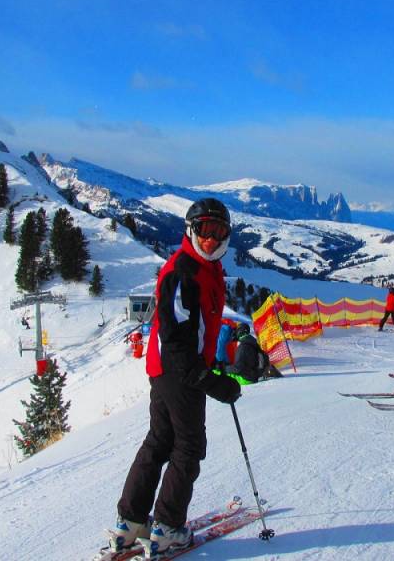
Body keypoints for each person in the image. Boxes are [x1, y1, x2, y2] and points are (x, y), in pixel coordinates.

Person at [109, 198, 241, 556]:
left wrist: (210, 368)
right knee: (189, 446)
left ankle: (131, 521)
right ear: (191, 230)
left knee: (160, 440)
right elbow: (178, 344)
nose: (212, 239)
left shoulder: (202, 267)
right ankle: (167, 528)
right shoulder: (184, 273)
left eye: (219, 231)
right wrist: (213, 382)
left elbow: (193, 334)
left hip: (170, 369)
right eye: (205, 230)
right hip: (178, 373)